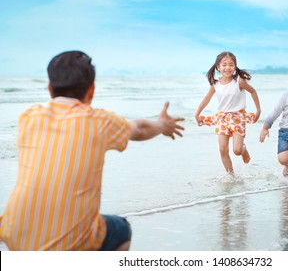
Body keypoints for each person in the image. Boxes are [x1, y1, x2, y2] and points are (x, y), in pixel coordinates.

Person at [0, 51, 185, 251]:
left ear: (49, 88)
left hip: (13, 232)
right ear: (92, 90)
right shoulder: (98, 121)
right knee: (121, 229)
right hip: (66, 243)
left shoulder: (28, 117)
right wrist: (162, 125)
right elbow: (139, 128)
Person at [195, 52, 261, 173]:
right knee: (222, 149)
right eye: (224, 65)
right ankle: (231, 176)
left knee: (236, 151)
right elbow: (207, 98)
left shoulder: (239, 81)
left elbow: (253, 91)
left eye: (231, 64)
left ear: (235, 66)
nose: (227, 68)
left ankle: (243, 148)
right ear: (218, 67)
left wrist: (258, 110)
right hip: (222, 118)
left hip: (238, 118)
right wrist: (197, 113)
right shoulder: (215, 84)